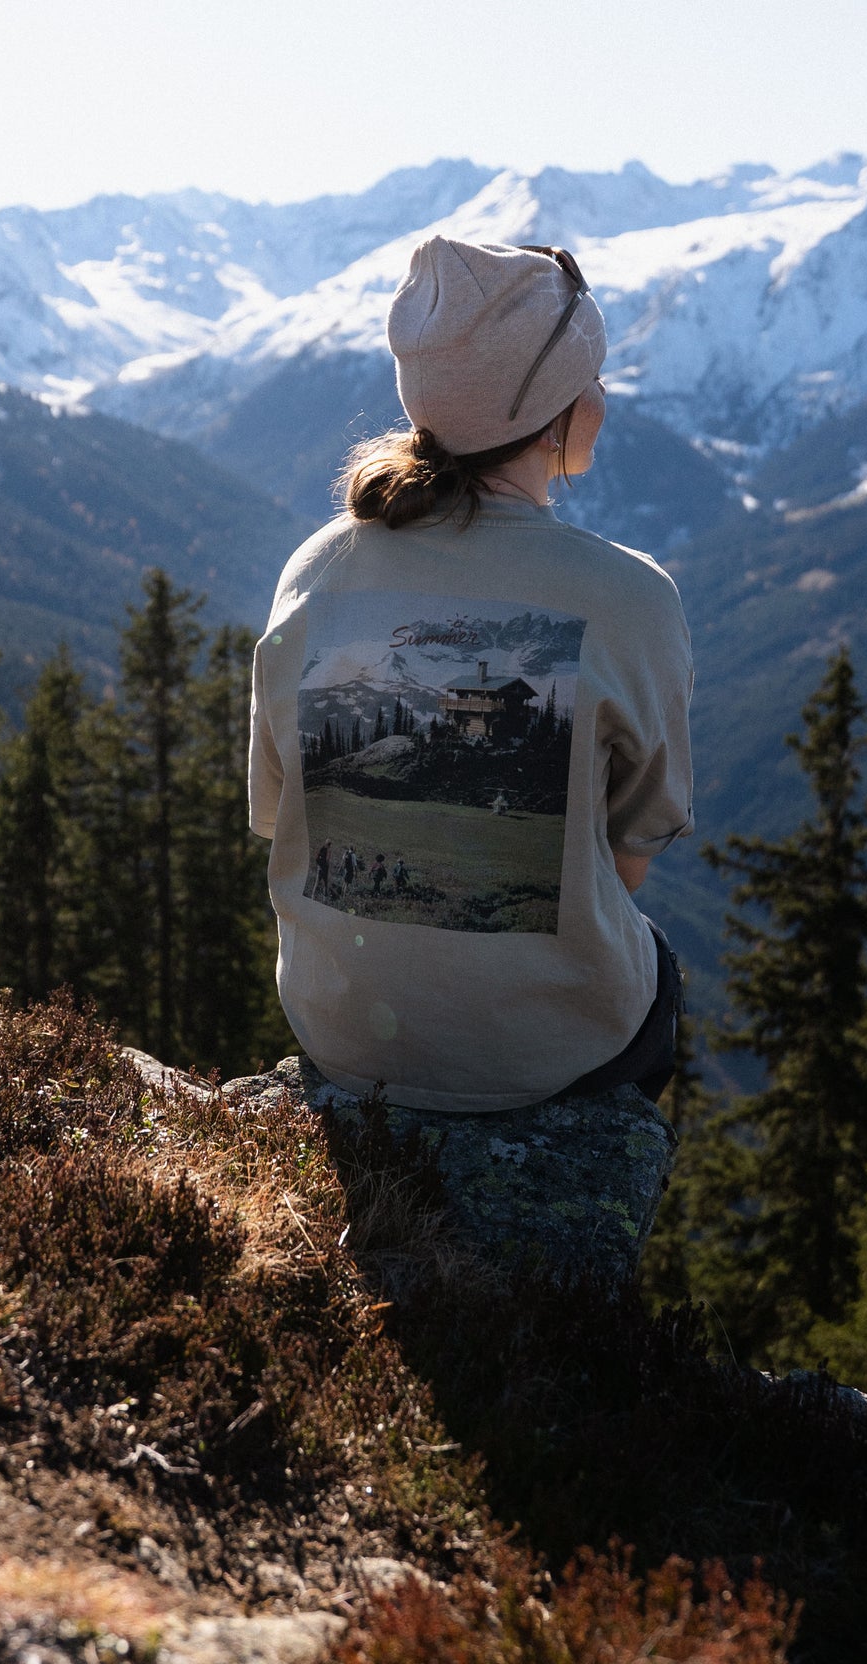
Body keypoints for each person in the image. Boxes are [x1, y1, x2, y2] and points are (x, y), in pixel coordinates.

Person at [250, 236, 691, 1113]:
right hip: (546, 1050)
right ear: (555, 412)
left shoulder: (316, 569)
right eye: (591, 378)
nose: (603, 397)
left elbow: (280, 819)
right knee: (661, 972)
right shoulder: (632, 597)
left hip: (336, 1026)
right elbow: (628, 862)